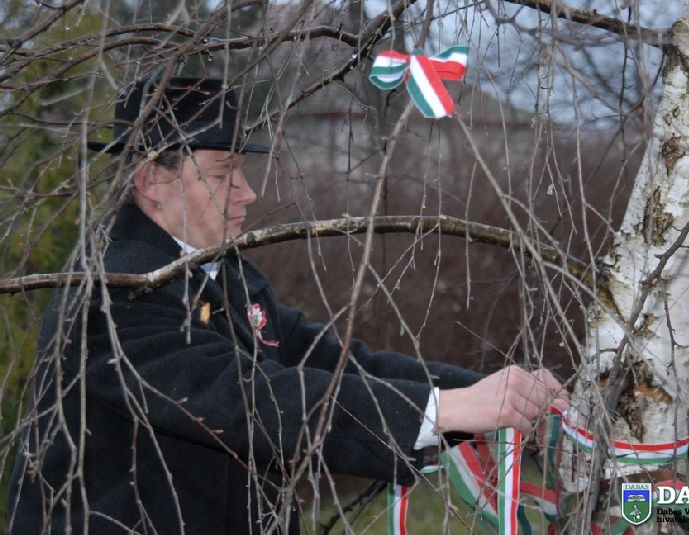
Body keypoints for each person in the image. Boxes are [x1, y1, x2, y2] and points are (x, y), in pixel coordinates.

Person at [8, 77, 567, 534]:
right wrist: (445, 409)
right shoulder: (113, 291)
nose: (248, 192)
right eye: (224, 173)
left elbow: (335, 364)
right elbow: (250, 400)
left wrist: (495, 395)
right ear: (152, 179)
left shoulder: (225, 276)